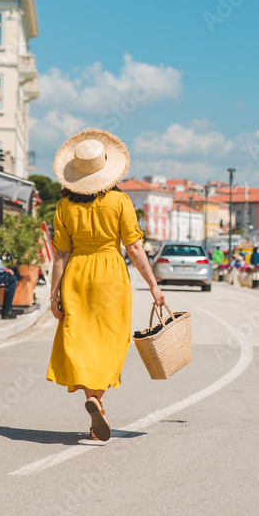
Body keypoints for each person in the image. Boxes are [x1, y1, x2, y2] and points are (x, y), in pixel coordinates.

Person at [47, 129, 165, 441]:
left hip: (76, 276)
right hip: (110, 276)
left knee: (82, 340)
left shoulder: (64, 207)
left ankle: (93, 400)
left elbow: (60, 253)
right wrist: (154, 285)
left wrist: (53, 293)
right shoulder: (120, 202)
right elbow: (135, 248)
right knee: (112, 340)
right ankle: (98, 400)